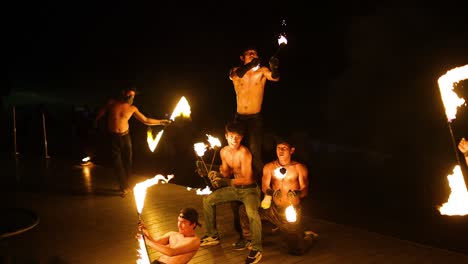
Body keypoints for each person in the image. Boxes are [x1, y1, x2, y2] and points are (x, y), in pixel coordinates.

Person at [235, 137, 318, 256]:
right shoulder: (269, 167)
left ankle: (309, 237)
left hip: (291, 212)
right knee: (244, 210)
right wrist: (271, 193)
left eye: (284, 148)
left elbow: (305, 190)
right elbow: (264, 186)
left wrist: (297, 193)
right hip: (273, 209)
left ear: (292, 150)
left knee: (297, 250)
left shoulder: (299, 168)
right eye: (279, 148)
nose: (281, 151)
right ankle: (249, 238)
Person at [200, 120, 263, 264]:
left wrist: (225, 182)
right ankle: (212, 236)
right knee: (208, 200)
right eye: (232, 136)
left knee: (252, 213)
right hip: (235, 189)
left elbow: (247, 179)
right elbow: (227, 173)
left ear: (241, 138)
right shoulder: (223, 151)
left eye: (238, 137)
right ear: (226, 136)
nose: (235, 140)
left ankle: (257, 248)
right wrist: (216, 174)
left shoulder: (244, 153)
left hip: (250, 190)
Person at [95, 85, 171, 197]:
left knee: (127, 162)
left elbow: (146, 120)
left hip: (126, 137)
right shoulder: (112, 104)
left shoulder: (132, 108)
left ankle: (126, 184)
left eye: (133, 96)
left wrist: (161, 122)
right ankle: (123, 187)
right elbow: (100, 113)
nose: (132, 98)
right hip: (113, 138)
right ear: (125, 95)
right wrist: (95, 122)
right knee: (117, 164)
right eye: (131, 96)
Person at [229, 47, 280, 184]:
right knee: (236, 150)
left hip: (254, 118)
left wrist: (274, 67)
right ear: (242, 58)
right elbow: (236, 75)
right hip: (239, 118)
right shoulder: (235, 71)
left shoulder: (262, 71)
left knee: (255, 152)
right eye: (249, 53)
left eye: (255, 53)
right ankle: (238, 182)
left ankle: (264, 185)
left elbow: (275, 77)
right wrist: (251, 65)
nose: (253, 55)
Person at [137, 207, 201, 264]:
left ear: (193, 224)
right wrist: (145, 231)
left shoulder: (195, 241)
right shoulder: (172, 234)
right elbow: (155, 242)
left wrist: (146, 241)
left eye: (183, 222)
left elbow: (171, 252)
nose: (179, 225)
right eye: (179, 221)